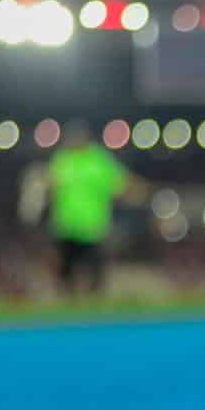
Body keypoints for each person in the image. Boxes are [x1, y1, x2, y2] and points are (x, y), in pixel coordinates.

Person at [30, 122, 138, 296]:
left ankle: (93, 301)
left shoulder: (99, 161)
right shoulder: (62, 160)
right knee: (66, 269)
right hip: (66, 226)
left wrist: (137, 191)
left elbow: (121, 183)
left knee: (95, 269)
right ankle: (68, 301)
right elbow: (50, 185)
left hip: (93, 226)